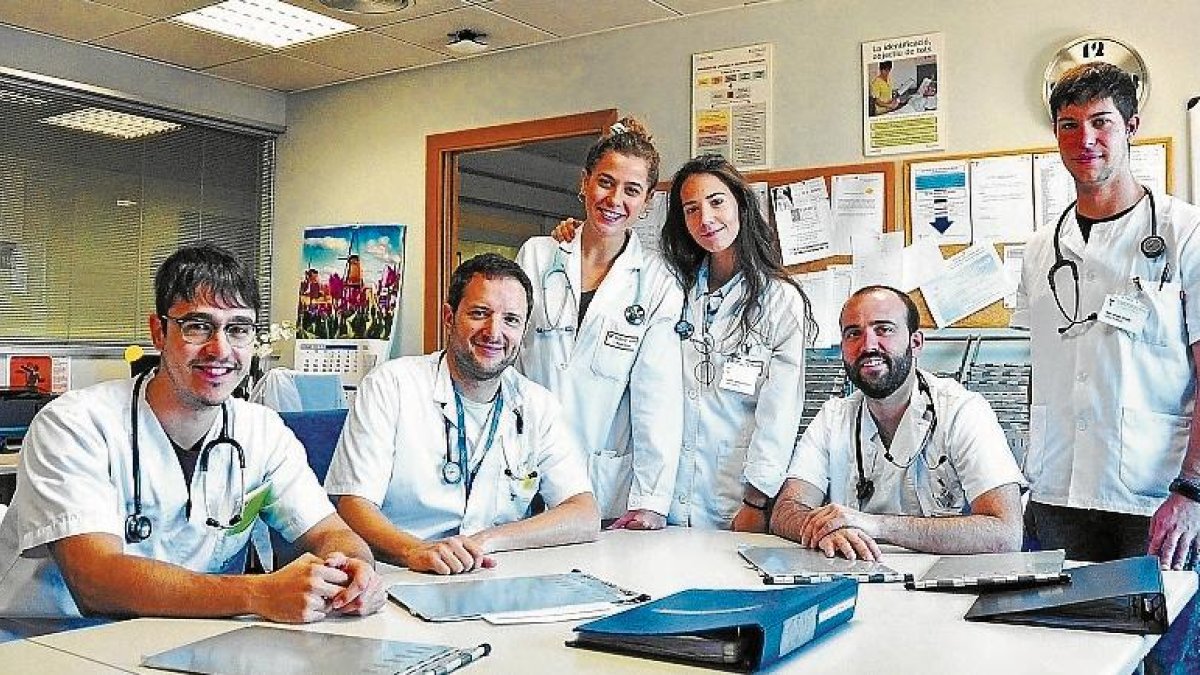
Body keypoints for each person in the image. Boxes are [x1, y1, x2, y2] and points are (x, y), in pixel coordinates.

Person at [0, 244, 385, 621]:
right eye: (198, 326)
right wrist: (257, 592)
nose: (220, 349)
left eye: (238, 329)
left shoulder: (263, 433)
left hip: (192, 638)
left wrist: (353, 569)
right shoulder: (75, 423)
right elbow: (95, 581)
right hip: (53, 640)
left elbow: (331, 532)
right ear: (158, 332)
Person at [1013, 62, 1200, 570]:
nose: (1085, 139)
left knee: (1164, 648)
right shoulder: (1038, 250)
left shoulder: (1185, 233)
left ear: (1131, 126)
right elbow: (1041, 369)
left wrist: (1193, 492)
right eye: (1069, 125)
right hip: (1058, 493)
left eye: (1101, 122)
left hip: (1155, 497)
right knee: (1059, 642)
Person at [326, 254, 600, 575]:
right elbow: (352, 505)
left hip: (491, 572)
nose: (494, 332)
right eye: (479, 313)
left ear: (524, 330)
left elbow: (584, 513)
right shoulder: (391, 386)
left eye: (511, 319)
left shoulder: (537, 404)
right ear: (448, 316)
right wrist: (414, 551)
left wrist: (488, 540)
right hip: (399, 572)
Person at [771, 286, 1025, 560]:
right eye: (853, 333)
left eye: (884, 330)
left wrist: (875, 525)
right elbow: (786, 510)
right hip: (856, 577)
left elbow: (1005, 533)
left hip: (948, 587)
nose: (867, 345)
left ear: (915, 343)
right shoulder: (834, 417)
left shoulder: (962, 411)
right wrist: (824, 529)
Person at [516, 118, 683, 530]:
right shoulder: (538, 256)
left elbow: (656, 399)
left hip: (601, 481)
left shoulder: (658, 284)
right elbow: (509, 361)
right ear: (585, 182)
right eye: (605, 182)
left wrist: (651, 500)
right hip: (521, 467)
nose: (614, 199)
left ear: (646, 201)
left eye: (631, 190)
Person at [661, 154, 816, 531]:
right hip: (664, 493)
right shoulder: (670, 287)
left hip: (734, 499)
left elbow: (779, 413)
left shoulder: (780, 300)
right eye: (691, 209)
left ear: (740, 206)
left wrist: (757, 500)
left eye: (717, 202)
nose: (706, 219)